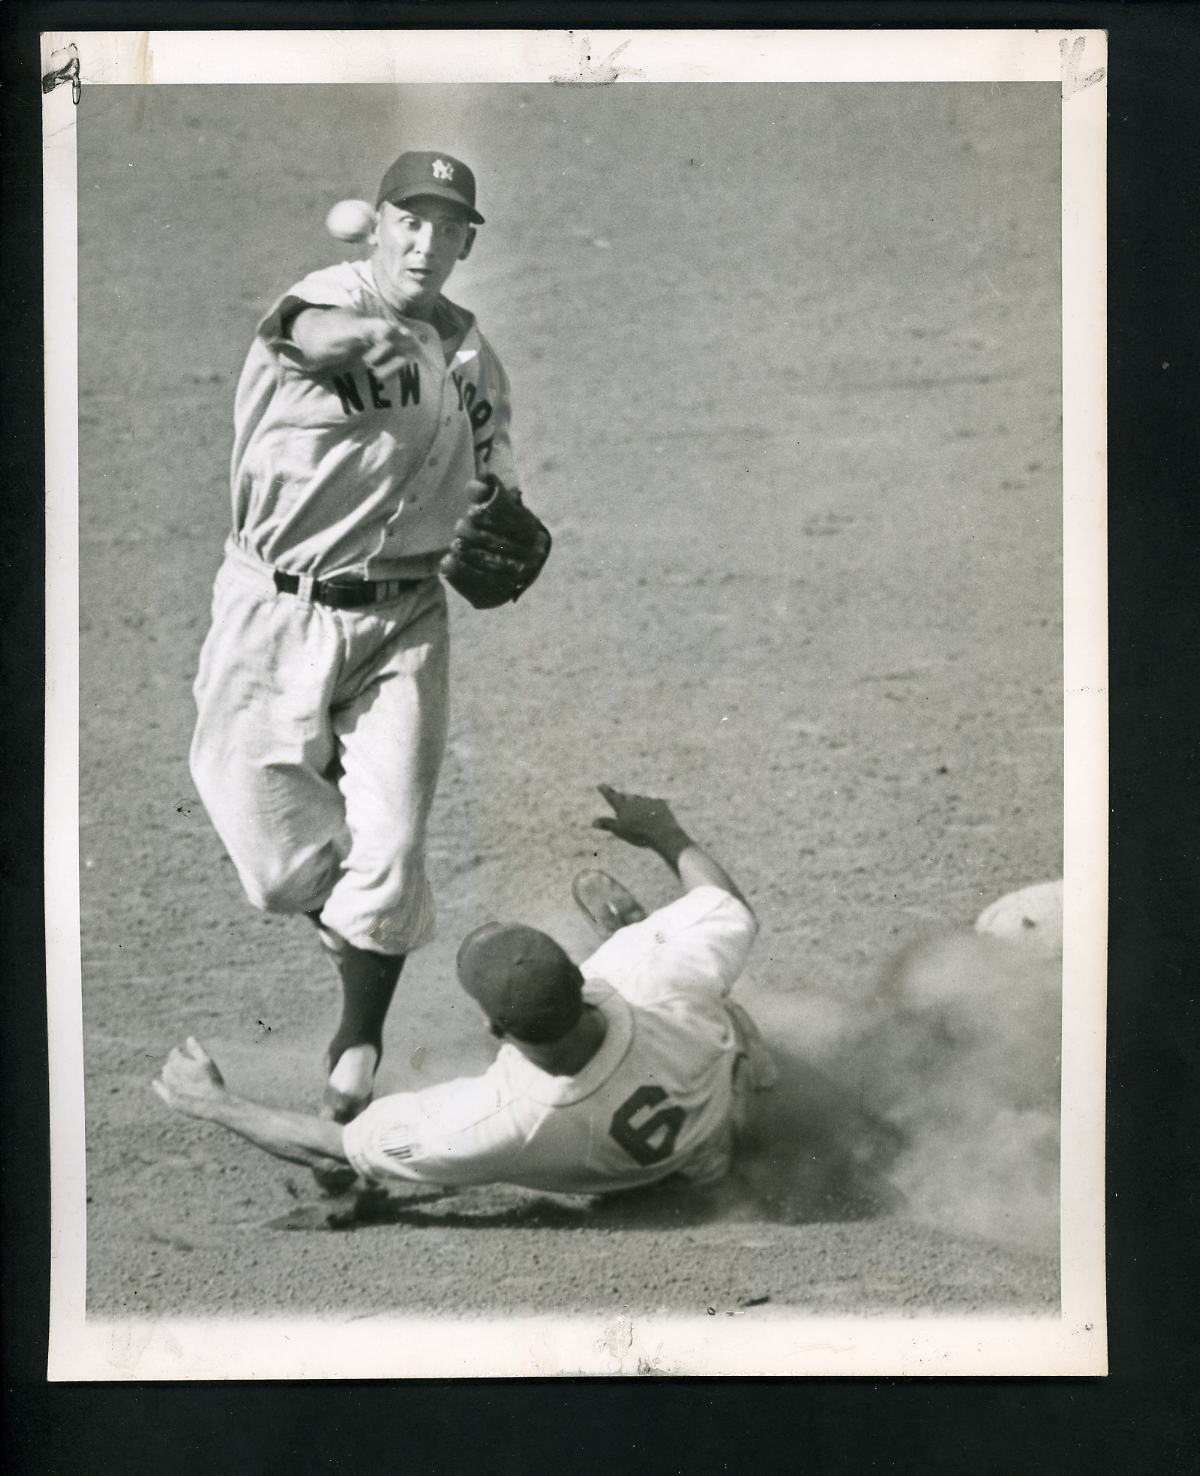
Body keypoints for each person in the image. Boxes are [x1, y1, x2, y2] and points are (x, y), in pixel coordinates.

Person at [188, 151, 549, 1134]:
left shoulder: (473, 358)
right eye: (412, 223)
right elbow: (301, 333)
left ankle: (357, 1050)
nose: (428, 244)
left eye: (449, 229)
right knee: (277, 868)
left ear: (468, 243)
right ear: (379, 225)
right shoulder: (319, 300)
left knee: (389, 843)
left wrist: (513, 528)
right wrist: (367, 339)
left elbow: (494, 485)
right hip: (274, 612)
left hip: (404, 622)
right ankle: (351, 926)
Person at [154, 786, 777, 1199]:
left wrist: (214, 1102)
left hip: (663, 1185)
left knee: (467, 1155)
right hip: (739, 1101)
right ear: (583, 980)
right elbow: (727, 907)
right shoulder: (646, 979)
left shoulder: (504, 1118)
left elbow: (340, 1146)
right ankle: (642, 933)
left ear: (497, 1031)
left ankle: (644, 947)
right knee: (697, 979)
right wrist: (666, 833)